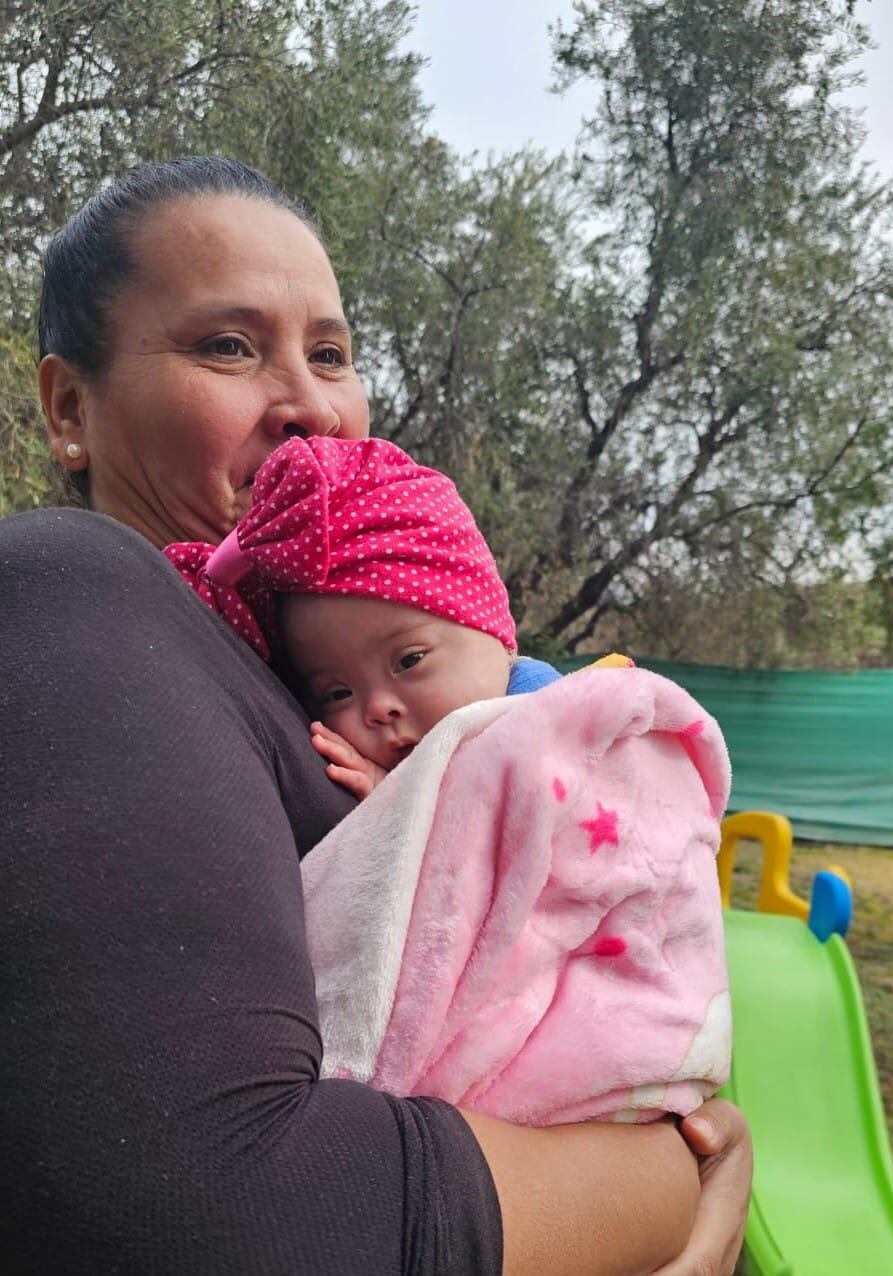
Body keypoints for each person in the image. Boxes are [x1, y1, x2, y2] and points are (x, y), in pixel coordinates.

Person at [1, 155, 751, 1274]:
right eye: (229, 345)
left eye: (331, 353)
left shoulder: (305, 673)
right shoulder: (73, 592)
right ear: (70, 407)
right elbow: (234, 1214)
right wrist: (674, 1182)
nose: (309, 403)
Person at [164, 433, 567, 799]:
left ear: (495, 630)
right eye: (337, 694)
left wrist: (399, 805)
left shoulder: (559, 717)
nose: (378, 709)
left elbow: (515, 812)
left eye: (409, 660)